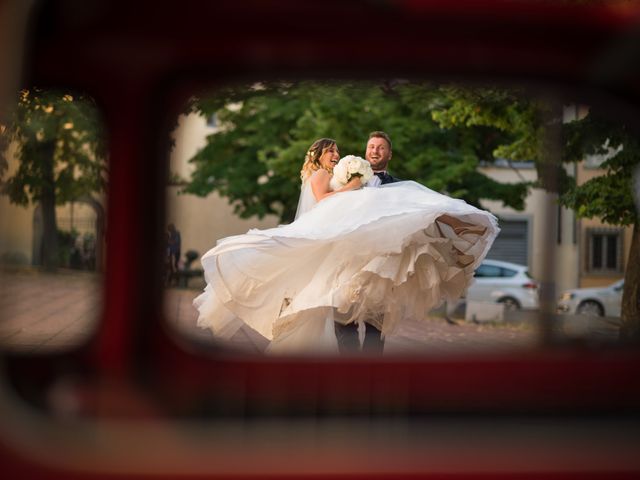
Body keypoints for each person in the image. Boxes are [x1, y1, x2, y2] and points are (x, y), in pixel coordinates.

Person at [194, 137, 499, 355]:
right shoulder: (328, 175)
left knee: (413, 207)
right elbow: (329, 201)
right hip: (345, 245)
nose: (337, 156)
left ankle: (456, 227)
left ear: (389, 154)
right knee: (343, 313)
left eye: (338, 152)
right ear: (321, 155)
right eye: (333, 152)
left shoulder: (373, 180)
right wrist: (354, 185)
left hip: (369, 247)